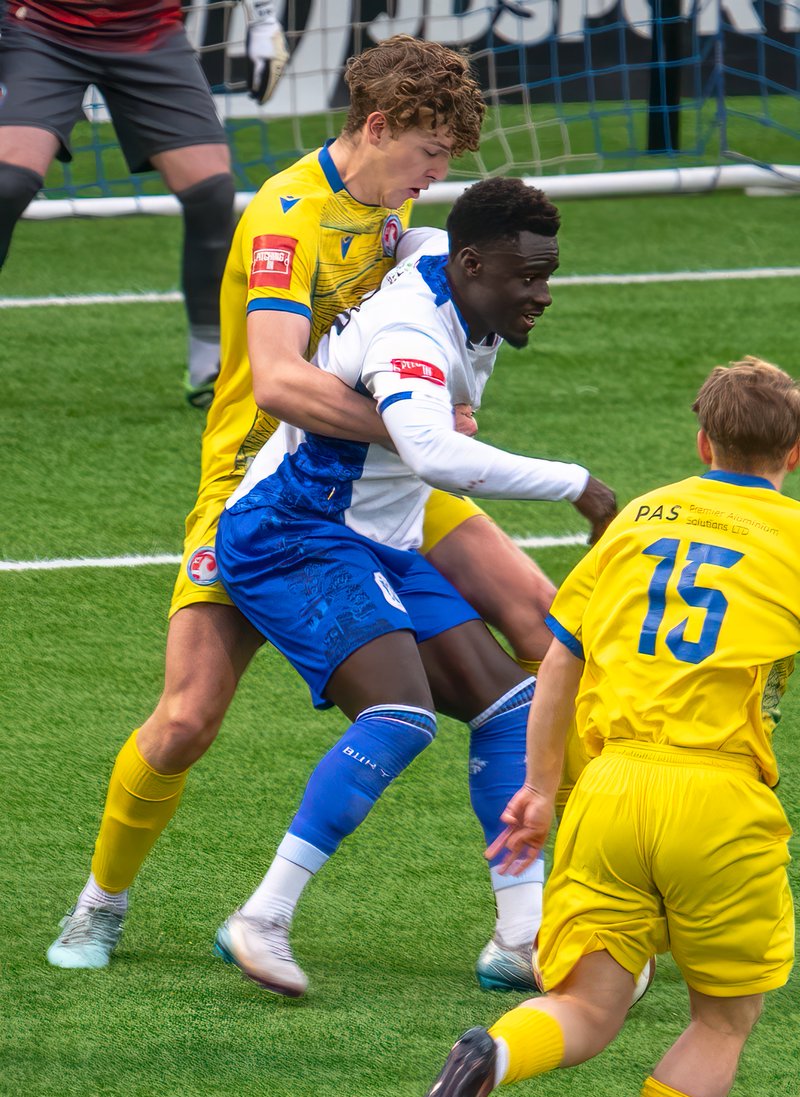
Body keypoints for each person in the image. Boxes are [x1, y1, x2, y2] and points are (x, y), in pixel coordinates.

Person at [210, 176, 615, 997]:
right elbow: (433, 456)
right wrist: (576, 482)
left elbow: (416, 236)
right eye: (525, 278)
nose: (542, 294)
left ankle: (521, 938)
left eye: (548, 274)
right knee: (400, 716)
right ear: (472, 266)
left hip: (375, 536)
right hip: (293, 528)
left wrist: (388, 225)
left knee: (513, 708)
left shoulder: (443, 257)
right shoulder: (412, 338)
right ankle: (261, 918)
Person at [411, 355, 800, 1097]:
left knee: (588, 1007)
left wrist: (544, 787)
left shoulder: (638, 521)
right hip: (719, 802)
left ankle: (496, 1053)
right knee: (723, 1020)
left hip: (611, 791)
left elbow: (560, 657)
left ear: (703, 441)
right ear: (794, 453)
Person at [0, 0, 288, 407]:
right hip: (40, 28)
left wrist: (263, 20)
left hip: (148, 31)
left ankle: (211, 364)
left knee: (211, 191)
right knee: (6, 184)